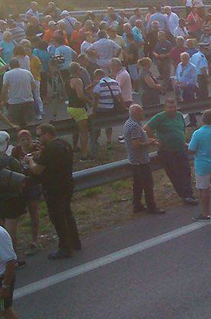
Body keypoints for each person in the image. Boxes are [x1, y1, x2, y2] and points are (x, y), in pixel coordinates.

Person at [26, 123, 80, 259]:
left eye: (39, 135)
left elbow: (37, 170)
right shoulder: (65, 144)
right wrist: (41, 154)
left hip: (53, 188)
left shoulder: (49, 149)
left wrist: (30, 160)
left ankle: (65, 248)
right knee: (67, 213)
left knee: (58, 218)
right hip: (67, 184)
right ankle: (75, 242)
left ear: (47, 134)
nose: (38, 139)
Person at [144, 98, 197, 205]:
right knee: (175, 174)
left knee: (186, 172)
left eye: (174, 107)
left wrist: (183, 140)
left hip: (181, 149)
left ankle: (189, 194)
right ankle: (185, 196)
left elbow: (182, 129)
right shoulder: (160, 117)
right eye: (170, 107)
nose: (172, 109)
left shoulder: (179, 115)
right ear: (165, 108)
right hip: (167, 151)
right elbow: (147, 128)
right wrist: (155, 141)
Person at [123, 104, 164, 215]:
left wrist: (150, 141)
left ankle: (137, 205)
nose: (143, 113)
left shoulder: (129, 123)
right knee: (148, 184)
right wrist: (149, 143)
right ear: (135, 113)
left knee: (138, 184)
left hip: (134, 159)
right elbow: (135, 144)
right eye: (141, 111)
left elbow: (138, 140)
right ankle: (151, 207)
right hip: (140, 160)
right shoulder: (135, 126)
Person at [0, 225, 29, 319]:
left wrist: (5, 286)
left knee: (5, 310)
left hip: (3, 279)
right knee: (6, 310)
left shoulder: (0, 234)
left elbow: (11, 262)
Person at [0, 132, 26, 266]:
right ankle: (13, 258)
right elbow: (22, 176)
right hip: (11, 199)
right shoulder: (10, 160)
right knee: (10, 232)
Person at [91, 69, 123, 149]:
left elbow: (96, 99)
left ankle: (95, 141)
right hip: (111, 108)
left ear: (97, 76)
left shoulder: (99, 84)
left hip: (101, 109)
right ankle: (109, 141)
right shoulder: (115, 82)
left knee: (98, 126)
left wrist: (93, 112)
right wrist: (124, 108)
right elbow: (120, 96)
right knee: (109, 125)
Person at [1, 56, 37, 127]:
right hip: (28, 100)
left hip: (14, 102)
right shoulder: (27, 72)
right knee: (28, 123)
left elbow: (4, 88)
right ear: (19, 64)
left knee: (15, 124)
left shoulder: (7, 74)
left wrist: (3, 100)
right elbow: (34, 86)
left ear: (10, 66)